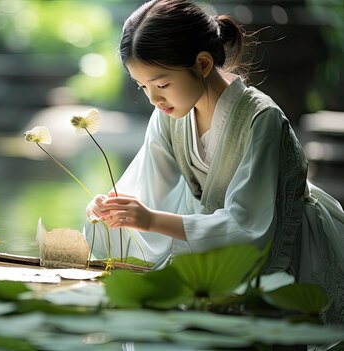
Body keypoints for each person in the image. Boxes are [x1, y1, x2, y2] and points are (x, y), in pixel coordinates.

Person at [84, 0, 344, 323]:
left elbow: (248, 226)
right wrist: (111, 211)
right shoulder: (168, 117)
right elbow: (144, 190)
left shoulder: (261, 120)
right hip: (220, 252)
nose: (153, 98)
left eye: (162, 84)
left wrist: (150, 220)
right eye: (143, 86)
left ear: (203, 64)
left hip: (290, 249)